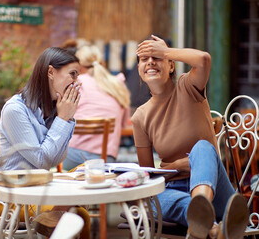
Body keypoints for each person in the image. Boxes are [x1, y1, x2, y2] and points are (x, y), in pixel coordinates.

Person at [132, 35, 249, 239]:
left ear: (171, 66)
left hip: (215, 187)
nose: (150, 61)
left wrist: (165, 51)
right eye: (144, 59)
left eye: (157, 57)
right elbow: (148, 175)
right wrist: (180, 165)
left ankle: (200, 206)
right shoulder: (140, 117)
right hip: (173, 189)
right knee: (150, 196)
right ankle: (212, 229)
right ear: (140, 70)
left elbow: (203, 59)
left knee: (202, 147)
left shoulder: (187, 87)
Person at [0, 47, 90, 238]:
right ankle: (57, 213)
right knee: (75, 215)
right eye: (72, 75)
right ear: (50, 72)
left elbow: (58, 158)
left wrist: (66, 118)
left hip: (38, 192)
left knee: (86, 175)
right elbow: (41, 160)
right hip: (5, 201)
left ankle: (57, 213)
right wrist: (64, 120)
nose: (77, 83)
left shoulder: (54, 111)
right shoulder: (15, 109)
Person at [62, 45, 131, 170]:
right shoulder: (117, 84)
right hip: (106, 158)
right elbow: (123, 125)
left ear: (79, 66)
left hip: (72, 156)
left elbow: (62, 117)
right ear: (102, 63)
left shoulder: (77, 83)